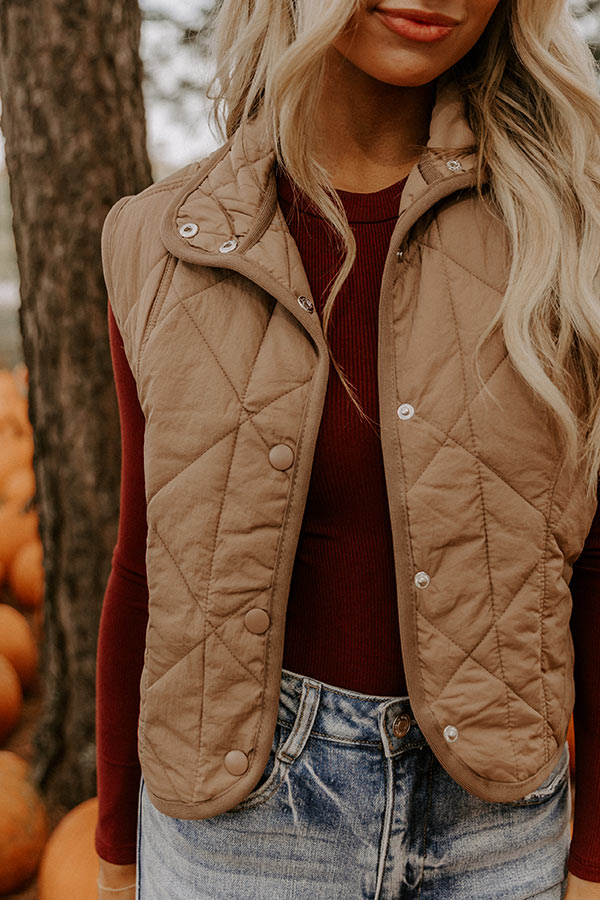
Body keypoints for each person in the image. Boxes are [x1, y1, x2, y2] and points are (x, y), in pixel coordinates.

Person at [95, 0, 600, 897]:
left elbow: (594, 564)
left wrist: (595, 856)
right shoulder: (159, 239)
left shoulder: (567, 227)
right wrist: (113, 847)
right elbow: (146, 563)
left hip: (500, 832)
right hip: (237, 837)